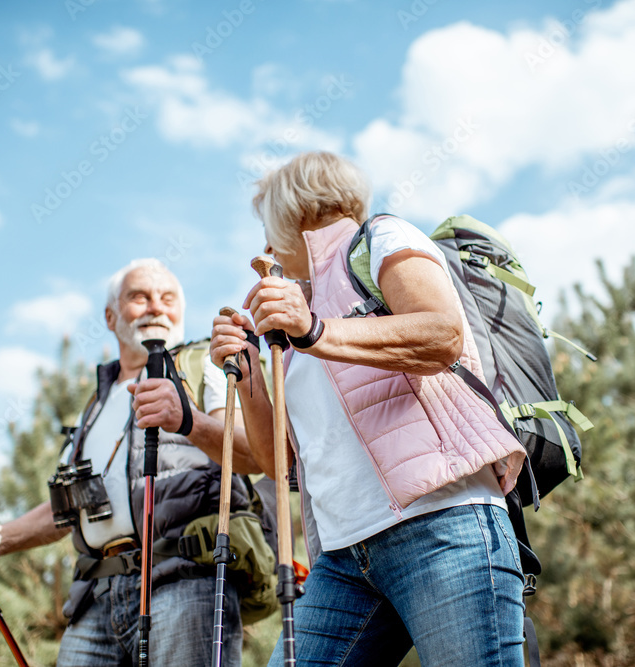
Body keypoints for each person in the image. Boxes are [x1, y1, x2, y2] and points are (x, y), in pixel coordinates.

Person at [210, 151, 528, 666]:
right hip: (342, 558)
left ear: (295, 210)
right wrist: (247, 371)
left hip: (442, 524)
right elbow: (279, 465)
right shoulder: (297, 320)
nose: (264, 247)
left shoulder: (382, 237)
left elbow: (441, 334)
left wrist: (316, 332)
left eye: (267, 227)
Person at [0, 258, 259, 667]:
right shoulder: (96, 405)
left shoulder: (205, 368)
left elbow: (253, 454)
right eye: (139, 297)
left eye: (168, 298)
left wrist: (188, 420)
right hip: (95, 597)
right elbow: (72, 507)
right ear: (110, 315)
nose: (156, 307)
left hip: (185, 583)